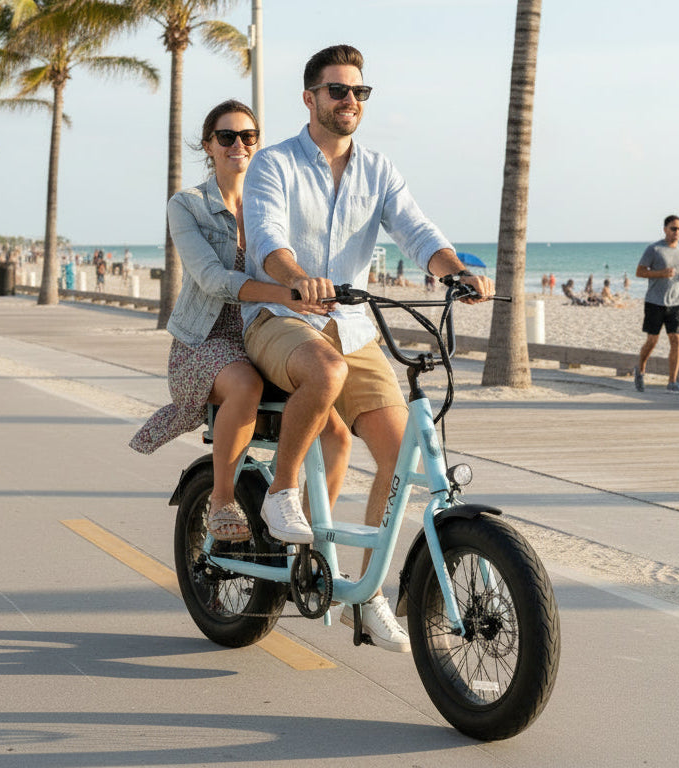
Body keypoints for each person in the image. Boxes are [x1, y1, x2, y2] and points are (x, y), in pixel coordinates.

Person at [241, 44, 494, 652]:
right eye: (337, 90)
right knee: (323, 373)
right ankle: (280, 493)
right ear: (310, 98)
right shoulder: (274, 165)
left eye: (359, 92)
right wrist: (296, 275)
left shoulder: (378, 169)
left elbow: (416, 230)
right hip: (282, 314)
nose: (350, 100)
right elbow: (270, 238)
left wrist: (453, 268)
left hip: (355, 326)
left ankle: (368, 592)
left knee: (401, 453)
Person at [129, 99, 350, 541]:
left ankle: (301, 537)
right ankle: (221, 499)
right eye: (226, 137)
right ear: (208, 145)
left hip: (267, 330)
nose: (238, 145)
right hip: (207, 339)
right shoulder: (188, 205)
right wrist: (289, 292)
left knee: (338, 437)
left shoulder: (273, 201)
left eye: (248, 136)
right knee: (245, 384)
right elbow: (212, 279)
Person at [634, 215, 679, 394]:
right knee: (652, 341)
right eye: (673, 228)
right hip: (654, 302)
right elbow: (639, 272)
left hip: (675, 302)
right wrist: (661, 273)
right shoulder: (654, 249)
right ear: (665, 229)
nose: (677, 232)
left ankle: (672, 382)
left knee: (676, 340)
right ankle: (641, 368)